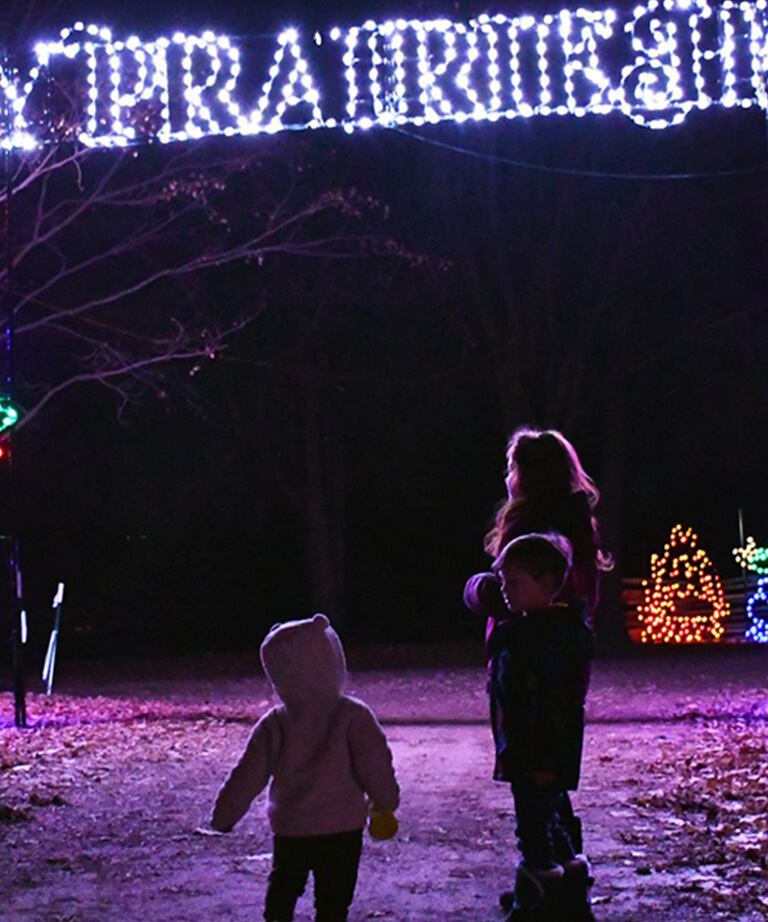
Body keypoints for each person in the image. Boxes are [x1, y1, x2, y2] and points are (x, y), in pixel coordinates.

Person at [210, 613, 399, 922]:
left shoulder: (276, 723)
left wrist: (224, 816)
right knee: (334, 899)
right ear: (331, 660)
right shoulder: (353, 716)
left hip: (292, 826)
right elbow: (375, 766)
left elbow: (247, 775)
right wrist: (387, 802)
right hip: (343, 827)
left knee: (284, 886)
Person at [465, 533, 595, 922]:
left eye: (515, 582)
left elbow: (543, 701)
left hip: (535, 749)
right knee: (549, 816)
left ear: (545, 584)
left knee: (534, 828)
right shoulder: (541, 631)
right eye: (503, 580)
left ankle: (536, 901)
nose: (505, 590)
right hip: (534, 748)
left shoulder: (543, 639)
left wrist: (534, 753)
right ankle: (569, 891)